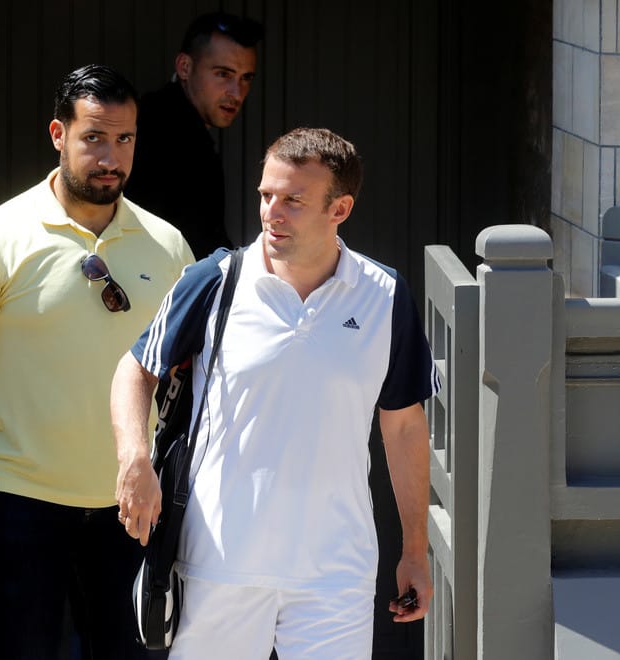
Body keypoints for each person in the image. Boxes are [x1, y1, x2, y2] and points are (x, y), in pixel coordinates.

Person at [110, 127, 439, 659]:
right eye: (266, 195)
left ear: (340, 209)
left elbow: (402, 424)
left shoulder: (385, 295)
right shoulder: (217, 279)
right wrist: (134, 458)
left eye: (292, 201)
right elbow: (135, 369)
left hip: (337, 574)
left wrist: (415, 550)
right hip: (217, 565)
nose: (271, 213)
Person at [0, 64, 194, 660]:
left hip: (131, 500)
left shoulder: (169, 246)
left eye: (125, 139)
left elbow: (191, 376)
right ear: (58, 134)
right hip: (14, 495)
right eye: (94, 137)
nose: (111, 157)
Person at [126, 11, 263, 259]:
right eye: (223, 74)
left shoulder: (169, 122)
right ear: (185, 67)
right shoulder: (161, 132)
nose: (236, 92)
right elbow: (197, 243)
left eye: (245, 78)